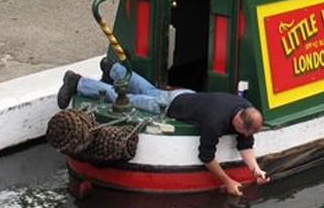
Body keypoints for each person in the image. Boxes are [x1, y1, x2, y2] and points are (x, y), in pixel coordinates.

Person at [57, 61, 269, 197]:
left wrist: (255, 169)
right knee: (126, 99)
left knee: (148, 89)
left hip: (189, 95)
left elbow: (245, 144)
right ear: (240, 123)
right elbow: (206, 157)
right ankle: (77, 82)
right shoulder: (215, 122)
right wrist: (228, 181)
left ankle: (114, 68)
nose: (246, 137)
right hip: (171, 105)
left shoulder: (244, 109)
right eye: (246, 132)